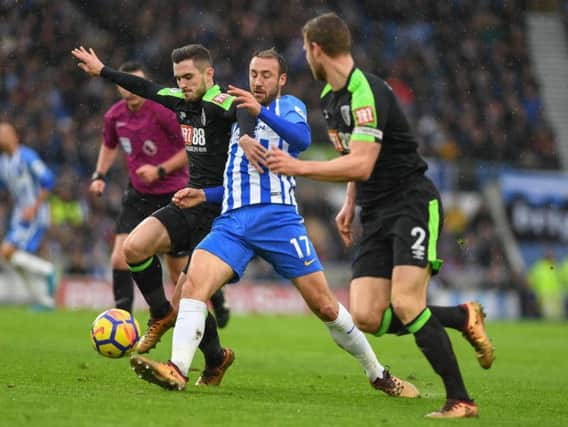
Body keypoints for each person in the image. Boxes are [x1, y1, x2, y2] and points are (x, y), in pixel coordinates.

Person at [129, 48, 419, 399]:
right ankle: (177, 369)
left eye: (267, 75)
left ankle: (378, 374)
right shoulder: (235, 115)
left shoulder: (287, 106)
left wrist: (260, 110)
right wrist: (204, 196)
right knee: (192, 285)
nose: (258, 80)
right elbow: (236, 176)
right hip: (233, 220)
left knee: (325, 306)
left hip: (278, 220)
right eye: (254, 73)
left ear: (281, 80)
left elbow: (302, 139)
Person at [266, 13, 490, 418]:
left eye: (304, 49)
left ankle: (461, 399)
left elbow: (364, 163)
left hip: (411, 202)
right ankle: (462, 316)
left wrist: (297, 167)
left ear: (317, 49)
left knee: (406, 303)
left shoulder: (365, 91)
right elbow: (352, 160)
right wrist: (350, 203)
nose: (304, 56)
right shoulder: (330, 99)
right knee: (368, 315)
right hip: (375, 209)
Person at [72, 44, 252, 384]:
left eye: (189, 77)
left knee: (189, 294)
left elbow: (245, 111)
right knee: (133, 249)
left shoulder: (223, 105)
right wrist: (103, 70)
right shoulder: (179, 102)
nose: (182, 84)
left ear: (208, 74)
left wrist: (246, 136)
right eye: (178, 78)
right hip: (186, 202)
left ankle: (213, 358)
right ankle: (160, 313)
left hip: (221, 213)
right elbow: (146, 88)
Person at [90, 61, 189, 313]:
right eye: (125, 83)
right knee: (119, 255)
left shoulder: (162, 111)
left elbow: (189, 148)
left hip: (173, 193)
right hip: (138, 195)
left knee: (178, 270)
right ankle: (122, 316)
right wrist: (99, 175)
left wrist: (160, 170)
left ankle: (212, 304)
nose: (130, 88)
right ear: (118, 87)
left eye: (136, 83)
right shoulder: (114, 116)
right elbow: (109, 145)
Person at [0, 120, 56, 309]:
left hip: (34, 214)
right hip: (20, 215)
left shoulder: (27, 156)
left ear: (15, 135)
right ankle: (44, 301)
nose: (1, 136)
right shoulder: (3, 163)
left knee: (7, 252)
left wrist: (34, 207)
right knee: (13, 259)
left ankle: (48, 271)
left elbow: (48, 179)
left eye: (5, 132)